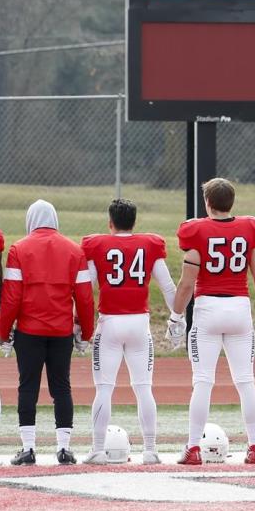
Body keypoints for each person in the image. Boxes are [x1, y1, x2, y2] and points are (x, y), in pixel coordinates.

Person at [174, 178, 255, 466]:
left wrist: (176, 315)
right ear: (231, 202)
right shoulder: (250, 228)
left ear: (208, 203)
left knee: (203, 382)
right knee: (246, 382)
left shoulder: (195, 230)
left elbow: (186, 283)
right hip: (239, 308)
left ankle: (193, 448)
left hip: (208, 308)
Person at [80, 199, 176, 465]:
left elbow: (86, 288)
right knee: (144, 388)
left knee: (104, 388)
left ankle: (98, 449)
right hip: (139, 323)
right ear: (134, 222)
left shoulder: (96, 244)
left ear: (110, 222)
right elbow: (168, 287)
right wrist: (177, 317)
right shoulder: (149, 244)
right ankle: (150, 449)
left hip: (109, 322)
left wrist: (80, 322)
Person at [0, 200, 92, 465]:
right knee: (61, 387)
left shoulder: (19, 249)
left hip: (29, 329)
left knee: (27, 387)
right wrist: (84, 330)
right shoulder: (74, 250)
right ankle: (64, 448)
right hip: (61, 330)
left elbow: (11, 297)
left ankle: (28, 449)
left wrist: (3, 331)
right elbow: (85, 298)